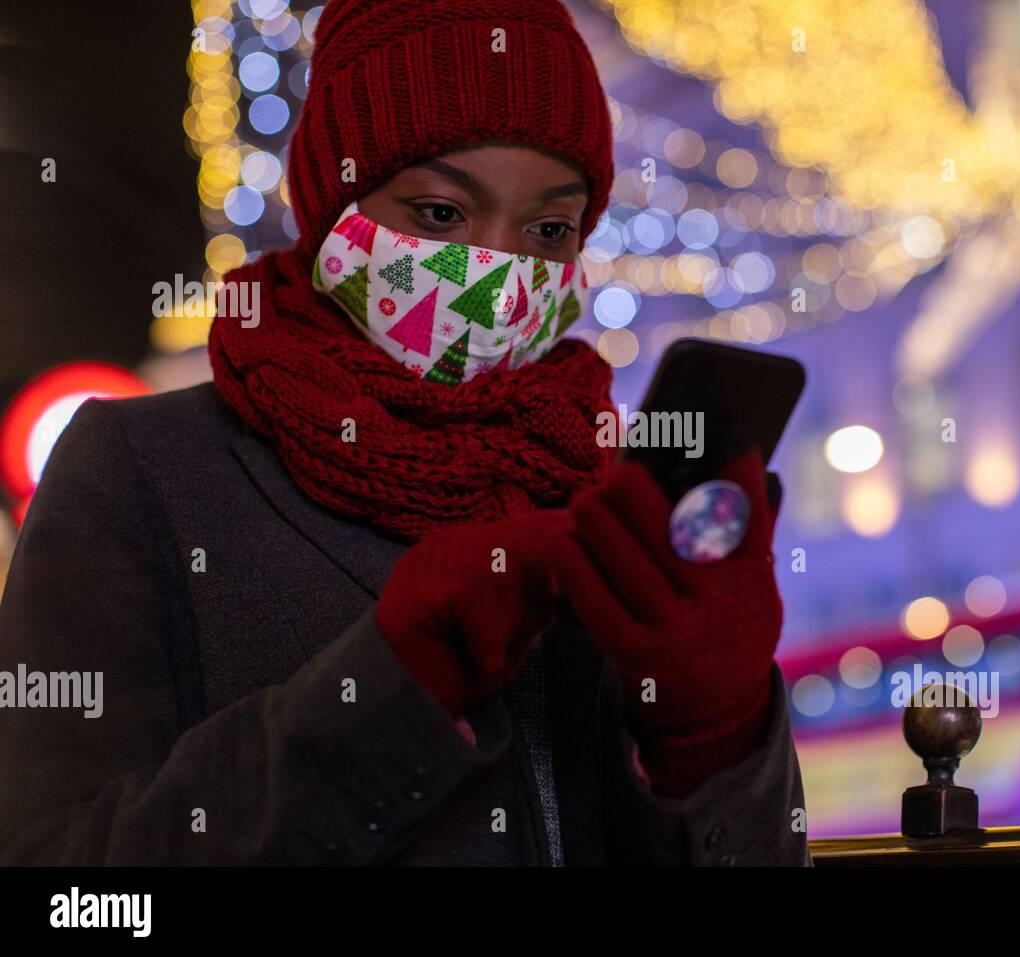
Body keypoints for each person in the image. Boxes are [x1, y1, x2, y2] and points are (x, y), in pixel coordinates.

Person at [0, 0, 809, 866]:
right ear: (330, 200)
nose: (495, 276)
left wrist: (717, 735)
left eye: (546, 229)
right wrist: (390, 684)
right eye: (438, 213)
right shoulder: (138, 471)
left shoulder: (601, 494)